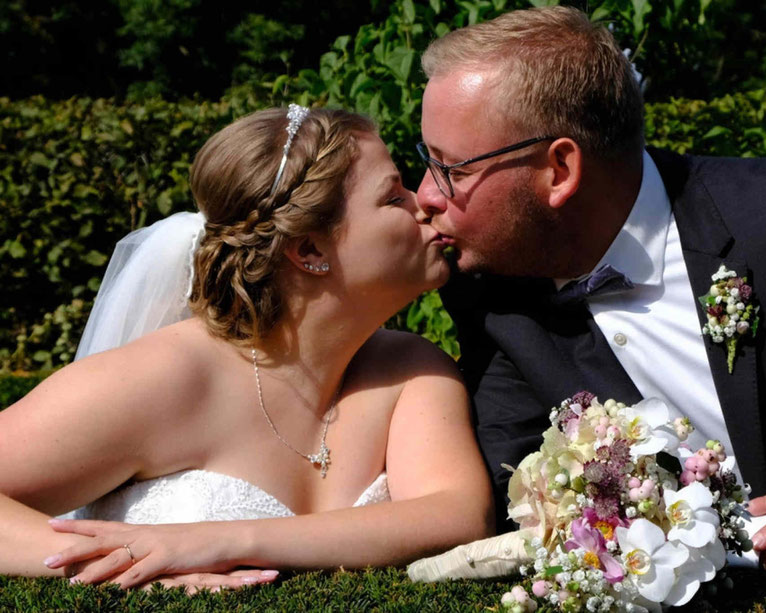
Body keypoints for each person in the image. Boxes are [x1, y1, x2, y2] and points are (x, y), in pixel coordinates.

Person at [413, 6, 766, 579]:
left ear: (559, 170)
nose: (425, 194)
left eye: (450, 168)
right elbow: (530, 495)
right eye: (425, 160)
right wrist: (763, 545)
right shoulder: (492, 300)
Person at [0, 105, 493, 590]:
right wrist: (115, 564)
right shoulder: (169, 376)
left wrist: (218, 540)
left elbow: (456, 515)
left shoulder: (412, 368)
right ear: (310, 250)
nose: (426, 201)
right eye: (392, 197)